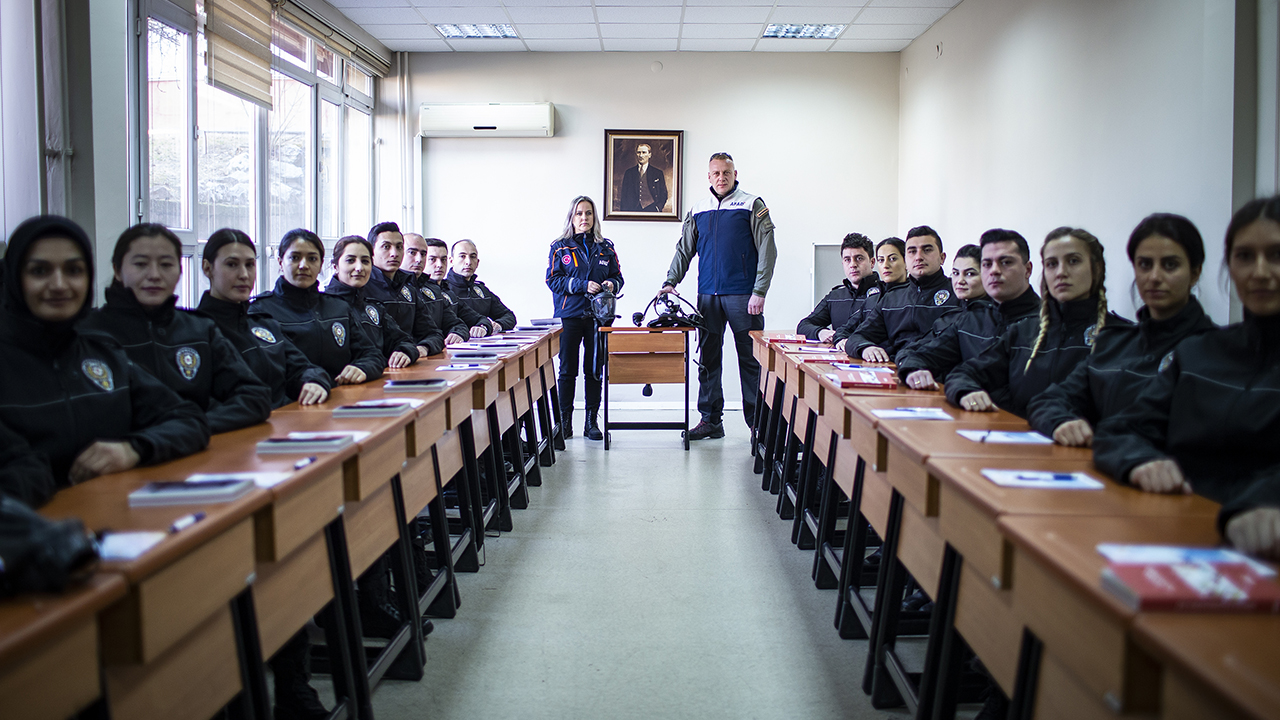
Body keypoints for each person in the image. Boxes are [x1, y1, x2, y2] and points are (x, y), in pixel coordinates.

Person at [1092, 196, 1280, 559]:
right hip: (1179, 535)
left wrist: (1261, 504)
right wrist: (1140, 461)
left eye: (1275, 255)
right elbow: (1120, 431)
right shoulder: (1199, 353)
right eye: (1244, 257)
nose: (1259, 272)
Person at [0, 215, 208, 492]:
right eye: (40, 271)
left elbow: (189, 420)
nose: (60, 284)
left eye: (74, 270)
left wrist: (134, 449)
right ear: (14, 278)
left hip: (119, 515)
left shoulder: (103, 353)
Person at [1029, 214, 1216, 445]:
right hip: (1103, 470)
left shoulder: (1214, 350)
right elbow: (1047, 401)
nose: (1155, 277)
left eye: (1170, 265)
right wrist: (1061, 422)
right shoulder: (1113, 343)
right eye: (1145, 264)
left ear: (1195, 272)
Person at [79, 223, 271, 434]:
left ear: (180, 271)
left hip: (195, 453)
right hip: (119, 459)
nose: (154, 275)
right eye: (141, 264)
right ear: (117, 270)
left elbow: (255, 396)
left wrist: (189, 429)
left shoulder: (199, 329)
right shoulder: (88, 333)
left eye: (166, 265)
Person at [945, 227, 1129, 418]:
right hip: (1017, 440)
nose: (1061, 272)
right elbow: (964, 374)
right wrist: (966, 392)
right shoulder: (1024, 332)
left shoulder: (1120, 336)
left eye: (1073, 261)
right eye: (1051, 264)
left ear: (1096, 268)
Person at [661, 152, 777, 440]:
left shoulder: (752, 205)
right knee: (708, 359)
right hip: (708, 298)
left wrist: (759, 291)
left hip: (743, 297)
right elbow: (684, 250)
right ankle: (711, 420)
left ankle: (758, 426)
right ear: (709, 177)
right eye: (716, 173)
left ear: (735, 174)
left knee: (750, 360)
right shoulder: (699, 209)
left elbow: (768, 250)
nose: (721, 177)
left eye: (726, 172)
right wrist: (670, 281)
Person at [196, 228, 332, 408]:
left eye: (250, 265)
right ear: (207, 268)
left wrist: (314, 382)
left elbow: (302, 368)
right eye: (232, 264)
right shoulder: (195, 331)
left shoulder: (263, 324)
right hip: (233, 430)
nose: (244, 275)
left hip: (282, 423)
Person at [896, 230, 1041, 389]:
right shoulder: (972, 318)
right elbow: (919, 355)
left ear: (1028, 270)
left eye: (1006, 262)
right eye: (987, 264)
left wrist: (962, 389)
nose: (994, 271)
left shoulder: (1048, 321)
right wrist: (913, 370)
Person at [250, 228, 385, 383]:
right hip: (293, 402)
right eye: (294, 258)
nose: (303, 265)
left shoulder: (338, 308)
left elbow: (372, 355)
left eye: (312, 259)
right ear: (281, 262)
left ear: (321, 265)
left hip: (340, 398)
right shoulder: (261, 312)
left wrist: (362, 368)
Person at [546, 195, 624, 441]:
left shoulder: (606, 247)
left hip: (598, 319)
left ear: (594, 217)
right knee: (567, 370)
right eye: (579, 213)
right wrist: (581, 285)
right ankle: (564, 423)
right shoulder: (559, 247)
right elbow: (553, 280)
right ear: (572, 216)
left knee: (594, 370)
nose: (584, 218)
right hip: (569, 316)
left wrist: (611, 283)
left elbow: (618, 278)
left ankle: (591, 422)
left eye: (588, 213)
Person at [844, 226, 962, 364]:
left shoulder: (958, 293)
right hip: (897, 372)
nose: (918, 257)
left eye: (927, 250)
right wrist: (865, 348)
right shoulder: (891, 299)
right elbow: (856, 338)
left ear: (942, 258)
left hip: (940, 375)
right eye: (912, 251)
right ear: (906, 260)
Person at [325, 236, 420, 368]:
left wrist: (404, 352)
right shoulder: (322, 308)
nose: (359, 268)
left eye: (365, 261)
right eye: (350, 260)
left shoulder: (373, 308)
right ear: (335, 266)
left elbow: (405, 341)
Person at [365, 222, 444, 357]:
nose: (394, 253)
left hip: (407, 361)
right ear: (371, 251)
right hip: (373, 366)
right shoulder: (363, 288)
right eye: (386, 247)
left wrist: (424, 347)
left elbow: (433, 334)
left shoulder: (408, 288)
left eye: (399, 247)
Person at [797, 233, 881, 343]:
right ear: (843, 263)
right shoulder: (835, 296)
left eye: (859, 258)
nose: (853, 264)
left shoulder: (884, 295)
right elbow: (803, 326)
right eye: (847, 259)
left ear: (872, 262)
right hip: (838, 357)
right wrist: (820, 332)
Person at [412, 236, 493, 339]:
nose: (439, 265)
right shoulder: (412, 291)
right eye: (432, 259)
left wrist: (482, 327)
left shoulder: (446, 293)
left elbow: (467, 322)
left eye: (443, 259)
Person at [831, 237, 905, 347]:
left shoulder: (913, 296)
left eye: (893, 259)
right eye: (881, 260)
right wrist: (845, 341)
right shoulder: (875, 297)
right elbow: (847, 330)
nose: (885, 265)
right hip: (874, 360)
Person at [403, 232, 468, 345]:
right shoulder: (391, 290)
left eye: (423, 254)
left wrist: (457, 333)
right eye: (412, 253)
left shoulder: (434, 291)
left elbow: (456, 325)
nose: (418, 259)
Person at [445, 239, 517, 333]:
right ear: (451, 260)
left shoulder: (481, 290)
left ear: (478, 262)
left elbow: (508, 316)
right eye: (462, 256)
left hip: (483, 344)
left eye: (472, 257)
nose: (468, 262)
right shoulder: (444, 290)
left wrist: (498, 325)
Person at [619, 143, 669, 213]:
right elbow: (624, 195)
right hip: (632, 210)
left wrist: (658, 208)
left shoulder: (658, 173)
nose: (641, 155)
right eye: (639, 152)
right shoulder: (629, 173)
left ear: (649, 155)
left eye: (644, 152)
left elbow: (663, 194)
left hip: (652, 210)